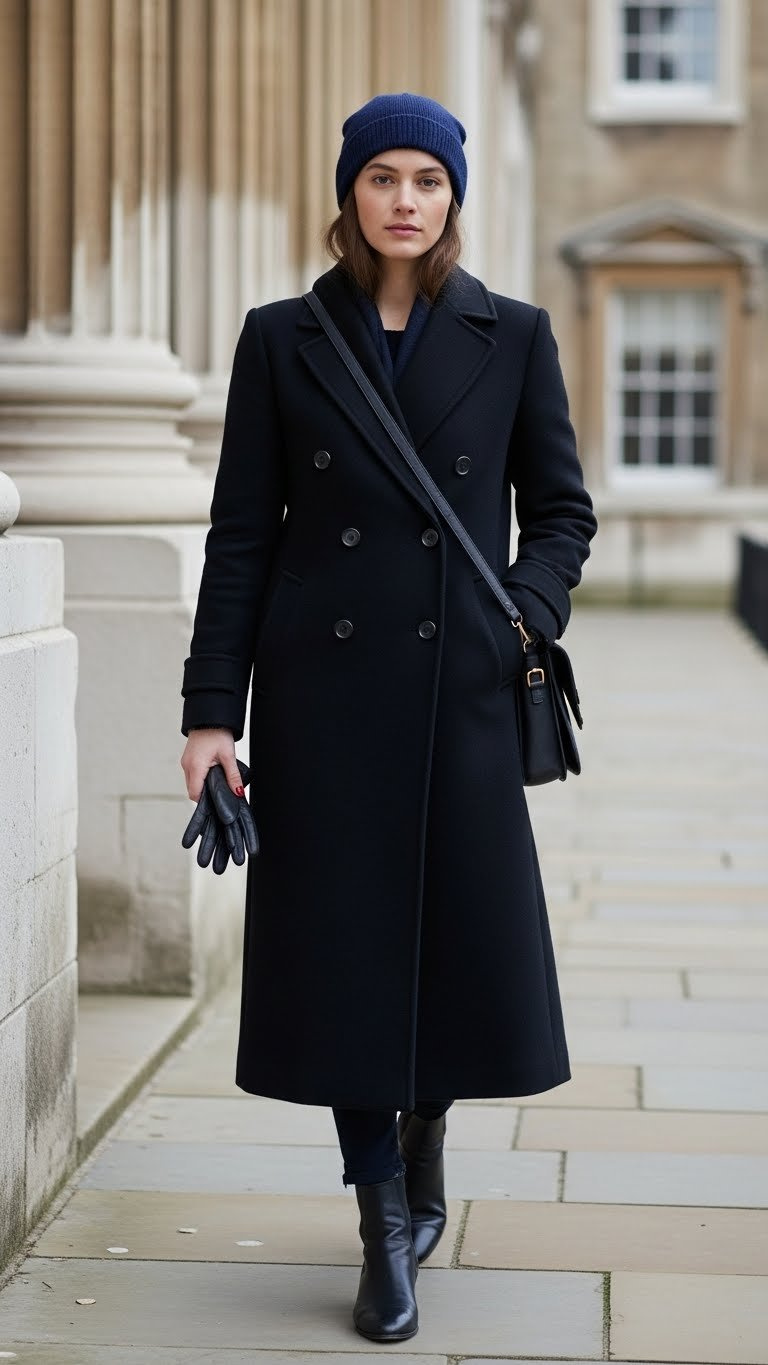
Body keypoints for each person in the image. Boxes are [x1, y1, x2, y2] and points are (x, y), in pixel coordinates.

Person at [180, 91, 597, 1344]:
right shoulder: (280, 339)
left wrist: (517, 611)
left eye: (427, 178)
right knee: (344, 957)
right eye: (383, 178)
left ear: (453, 197)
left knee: (456, 949)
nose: (405, 199)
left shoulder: (511, 335)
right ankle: (379, 1221)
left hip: (458, 693)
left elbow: (563, 512)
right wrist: (212, 714)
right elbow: (243, 537)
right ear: (351, 193)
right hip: (323, 699)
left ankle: (425, 1148)